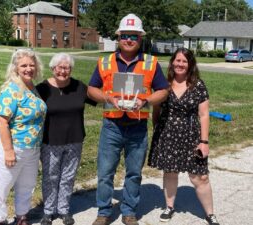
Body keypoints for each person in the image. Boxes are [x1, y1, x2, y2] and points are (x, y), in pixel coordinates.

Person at [88, 14, 169, 225]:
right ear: (118, 37)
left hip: (137, 126)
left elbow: (163, 91)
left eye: (134, 35)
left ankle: (129, 211)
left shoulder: (151, 62)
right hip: (112, 126)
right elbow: (91, 89)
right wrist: (106, 97)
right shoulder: (105, 61)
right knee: (105, 173)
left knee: (134, 173)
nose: (129, 40)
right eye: (125, 35)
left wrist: (146, 101)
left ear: (140, 38)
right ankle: (104, 212)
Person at [147, 48, 220, 225]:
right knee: (170, 172)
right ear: (172, 62)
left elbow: (204, 115)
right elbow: (156, 110)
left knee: (200, 176)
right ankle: (169, 207)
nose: (180, 64)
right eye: (177, 60)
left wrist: (204, 141)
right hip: (168, 135)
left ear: (190, 64)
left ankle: (210, 214)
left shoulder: (198, 85)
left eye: (184, 61)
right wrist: (157, 131)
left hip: (192, 136)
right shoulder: (163, 84)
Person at [0, 49, 47, 225]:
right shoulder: (11, 89)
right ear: (15, 67)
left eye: (31, 65)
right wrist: (8, 151)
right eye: (24, 65)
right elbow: (2, 122)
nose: (28, 69)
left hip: (32, 149)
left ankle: (22, 216)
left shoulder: (32, 88)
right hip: (12, 147)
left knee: (27, 186)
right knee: (2, 186)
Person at [36, 53, 95, 225]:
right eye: (60, 67)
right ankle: (48, 211)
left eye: (67, 67)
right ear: (53, 68)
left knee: (68, 176)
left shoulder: (79, 86)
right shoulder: (42, 88)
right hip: (50, 140)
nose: (63, 71)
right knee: (50, 176)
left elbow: (98, 97)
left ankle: (63, 210)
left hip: (75, 139)